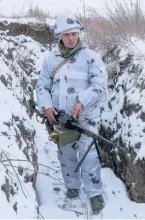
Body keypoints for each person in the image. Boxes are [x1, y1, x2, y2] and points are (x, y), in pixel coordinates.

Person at [35, 14, 108, 213]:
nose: (71, 38)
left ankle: (94, 193)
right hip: (61, 120)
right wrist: (47, 106)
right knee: (66, 155)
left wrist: (81, 103)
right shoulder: (51, 59)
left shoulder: (91, 57)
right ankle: (72, 188)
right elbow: (42, 86)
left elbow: (100, 86)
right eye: (67, 34)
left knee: (89, 156)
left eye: (74, 34)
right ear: (59, 36)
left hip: (86, 117)